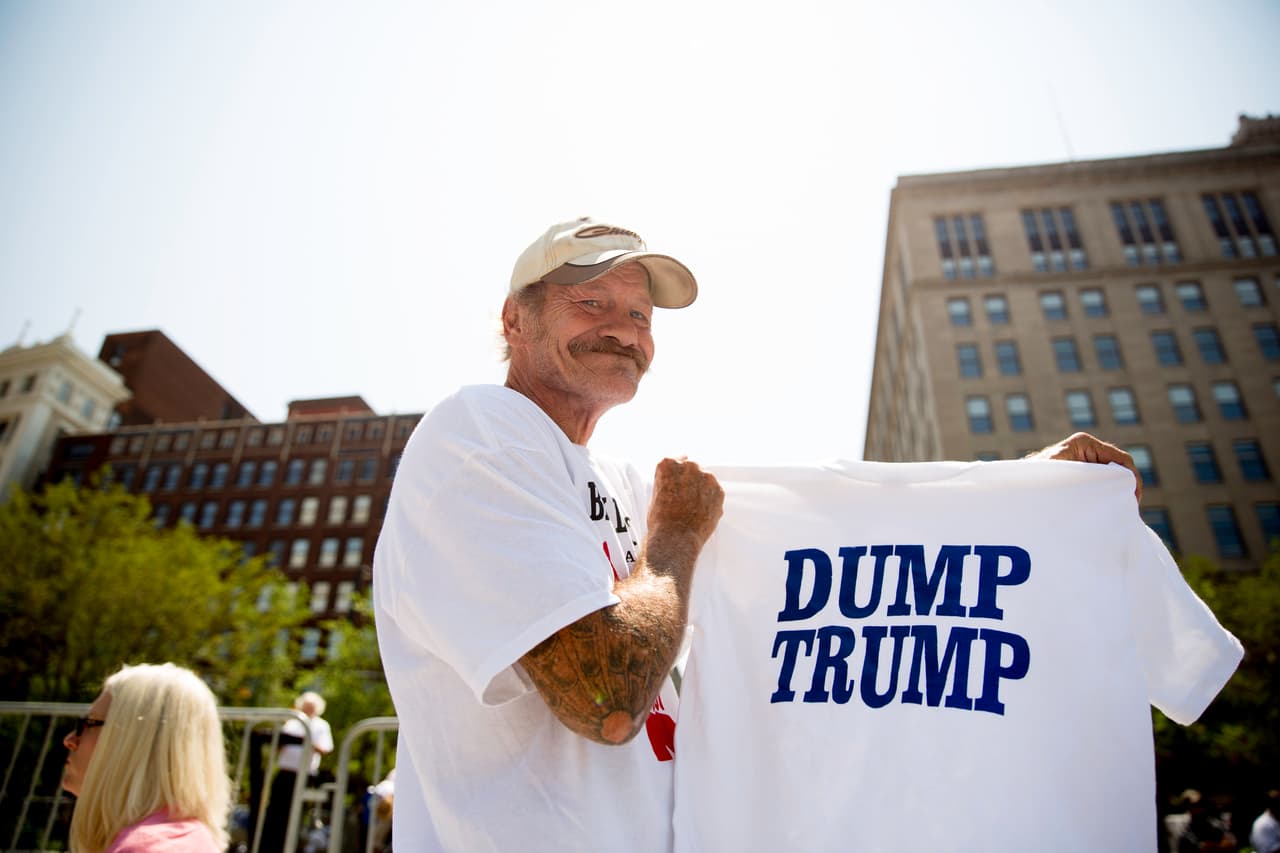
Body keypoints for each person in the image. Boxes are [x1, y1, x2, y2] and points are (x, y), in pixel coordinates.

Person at [372, 216, 1142, 852]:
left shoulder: (618, 477)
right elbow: (607, 694)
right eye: (590, 301)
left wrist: (1026, 487)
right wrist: (673, 537)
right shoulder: (481, 431)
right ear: (516, 318)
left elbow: (839, 525)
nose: (623, 329)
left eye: (639, 315)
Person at [61, 662, 229, 853]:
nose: (70, 740)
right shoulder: (188, 839)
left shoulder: (146, 849)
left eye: (89, 723)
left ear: (138, 740)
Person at [259, 691, 334, 853]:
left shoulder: (321, 726)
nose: (307, 710)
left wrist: (306, 742)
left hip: (304, 776)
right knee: (275, 813)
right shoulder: (292, 723)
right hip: (285, 773)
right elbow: (280, 745)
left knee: (296, 814)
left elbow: (325, 748)